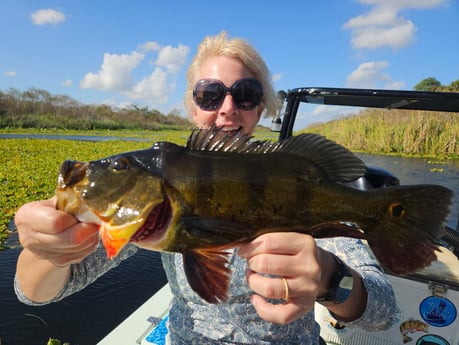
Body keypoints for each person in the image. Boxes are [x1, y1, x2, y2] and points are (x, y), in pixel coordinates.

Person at [15, 32, 397, 344]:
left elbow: (382, 312)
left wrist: (331, 279)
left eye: (245, 93)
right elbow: (36, 293)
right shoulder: (152, 193)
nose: (228, 108)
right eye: (210, 94)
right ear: (192, 108)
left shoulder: (291, 177)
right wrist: (50, 250)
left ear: (261, 108)